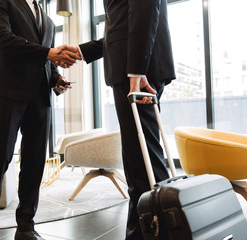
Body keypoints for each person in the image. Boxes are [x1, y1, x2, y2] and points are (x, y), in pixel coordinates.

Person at [73, 0, 176, 239]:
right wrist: (83, 51)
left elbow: (145, 9)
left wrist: (137, 70)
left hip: (139, 71)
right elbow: (122, 24)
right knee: (136, 156)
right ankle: (142, 230)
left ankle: (162, 230)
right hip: (134, 67)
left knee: (143, 157)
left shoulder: (137, 72)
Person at [0, 0, 80, 240]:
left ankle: (25, 225)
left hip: (40, 96)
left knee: (35, 162)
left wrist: (56, 79)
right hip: (7, 91)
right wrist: (48, 53)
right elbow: (1, 38)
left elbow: (47, 60)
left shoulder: (49, 19)